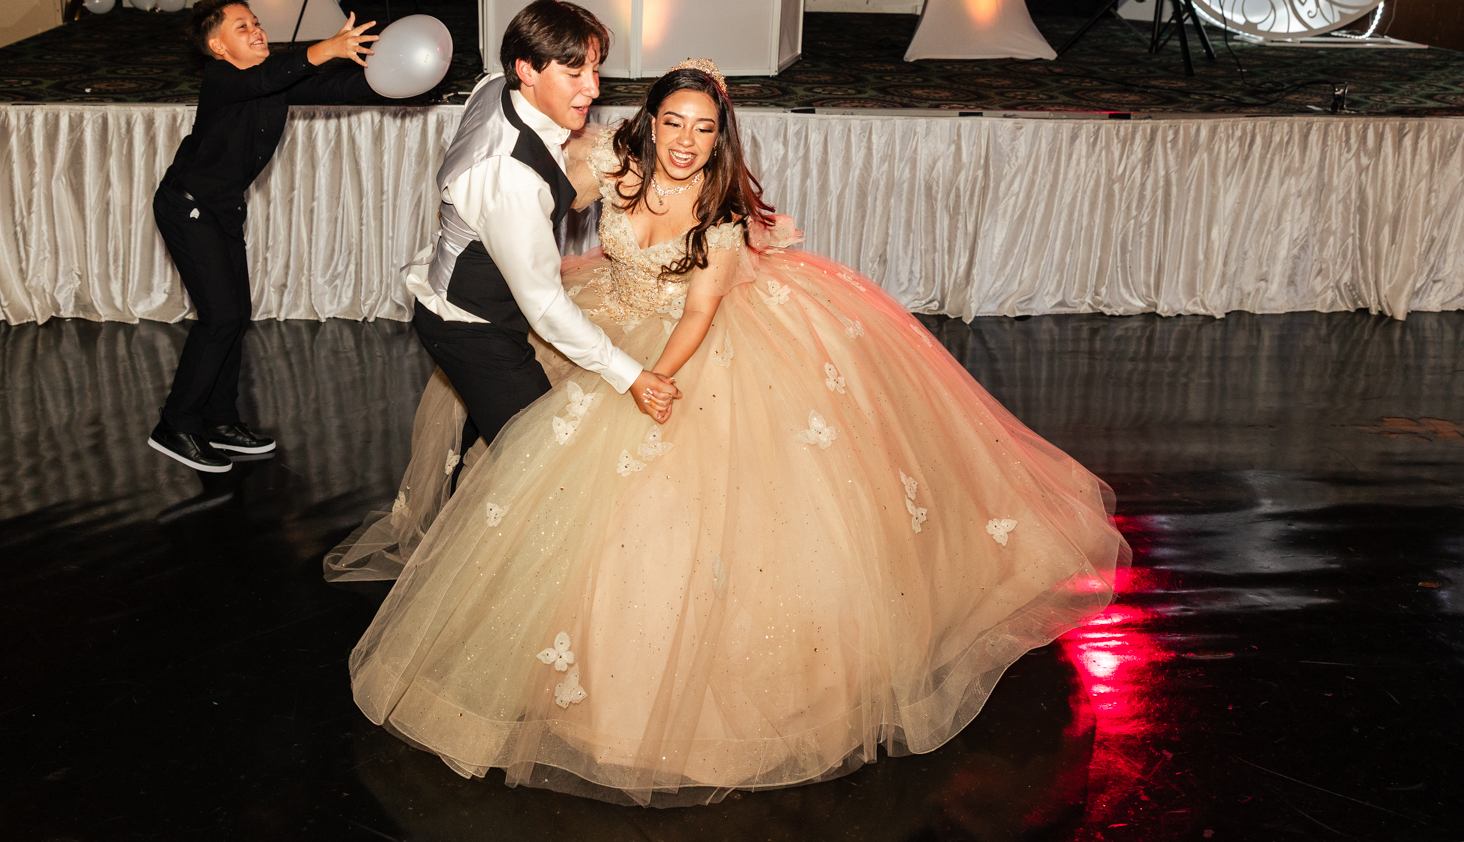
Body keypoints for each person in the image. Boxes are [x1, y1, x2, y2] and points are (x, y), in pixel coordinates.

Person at [340, 59, 1130, 806]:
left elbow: (697, 314)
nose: (687, 141)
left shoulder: (717, 218)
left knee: (679, 503)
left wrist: (651, 378)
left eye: (704, 128)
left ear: (720, 136)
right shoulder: (613, 165)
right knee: (545, 461)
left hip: (685, 345)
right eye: (674, 122)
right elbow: (532, 198)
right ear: (649, 121)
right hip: (611, 309)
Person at [401, 0, 680, 469]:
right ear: (526, 70)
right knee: (542, 464)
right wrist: (631, 375)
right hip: (472, 327)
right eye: (575, 74)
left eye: (595, 70)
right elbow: (546, 307)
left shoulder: (495, 85)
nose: (592, 88)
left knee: (489, 444)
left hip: (475, 298)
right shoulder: (511, 180)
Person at [147, 0, 380, 473]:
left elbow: (334, 88)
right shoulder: (222, 79)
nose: (256, 31)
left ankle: (219, 420)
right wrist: (326, 48)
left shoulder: (271, 84)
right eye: (242, 27)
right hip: (186, 207)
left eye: (256, 22)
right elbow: (276, 74)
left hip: (222, 210)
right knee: (220, 317)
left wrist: (396, 79)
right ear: (218, 47)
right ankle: (176, 423)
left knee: (234, 316)